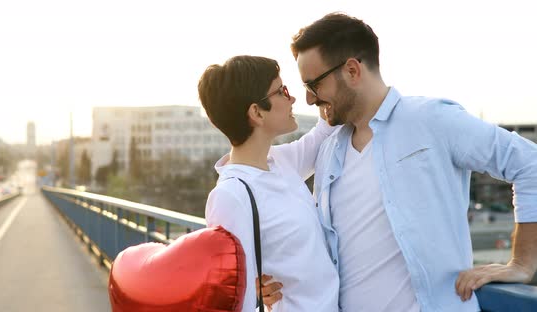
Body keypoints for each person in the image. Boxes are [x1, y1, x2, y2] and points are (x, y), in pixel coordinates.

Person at [260, 12, 537, 311]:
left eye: (313, 84)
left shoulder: (431, 120)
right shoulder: (329, 150)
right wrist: (280, 283)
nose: (310, 99)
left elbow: (528, 164)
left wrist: (522, 263)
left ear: (352, 70)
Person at [198, 55, 340, 311]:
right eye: (282, 91)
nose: (292, 98)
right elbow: (233, 297)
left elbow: (324, 131)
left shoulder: (278, 162)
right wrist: (252, 292)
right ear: (256, 112)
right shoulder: (231, 195)